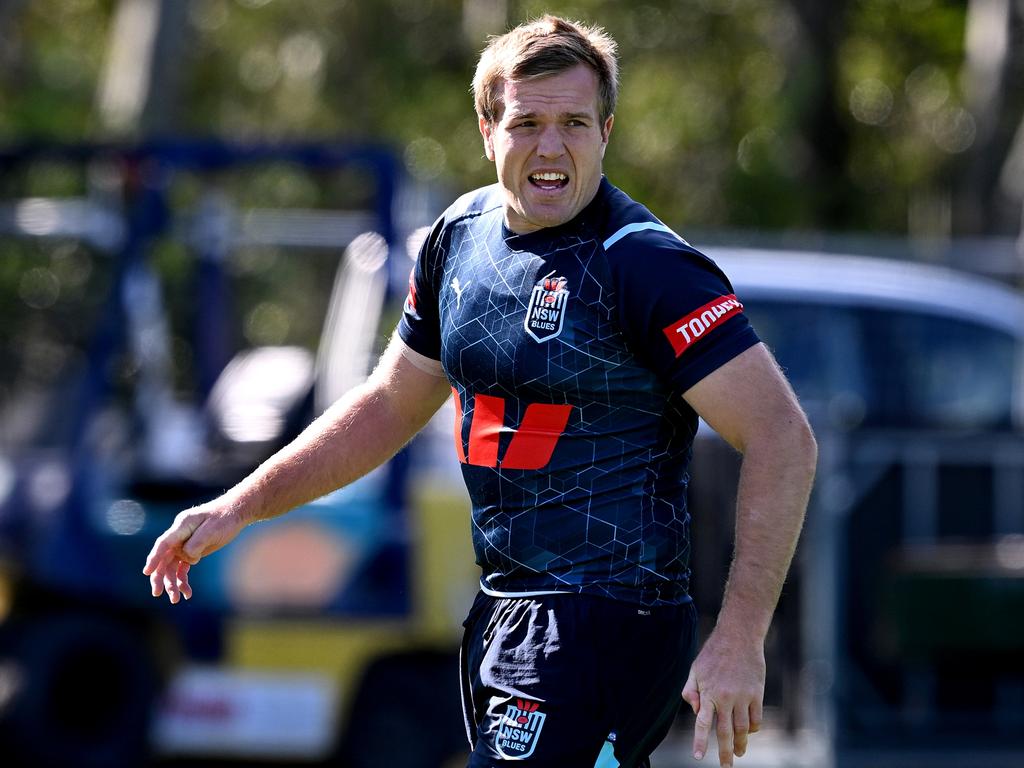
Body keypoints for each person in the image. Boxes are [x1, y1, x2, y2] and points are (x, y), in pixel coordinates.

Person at [144, 15, 816, 768]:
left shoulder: (647, 267)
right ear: (487, 127)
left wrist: (739, 638)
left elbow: (782, 437)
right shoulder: (456, 239)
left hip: (609, 615)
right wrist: (242, 504)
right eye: (527, 122)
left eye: (574, 123)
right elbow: (391, 403)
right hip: (502, 608)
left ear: (607, 132)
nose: (552, 148)